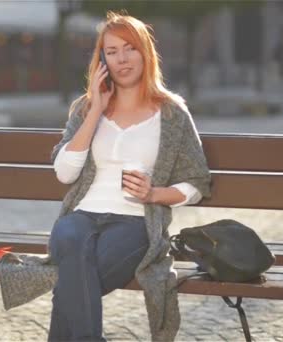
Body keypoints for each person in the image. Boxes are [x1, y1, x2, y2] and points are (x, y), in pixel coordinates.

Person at [46, 11, 212, 341]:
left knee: (71, 283)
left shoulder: (172, 113)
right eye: (111, 51)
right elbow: (65, 174)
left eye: (129, 48)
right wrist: (95, 111)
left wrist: (154, 195)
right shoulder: (85, 108)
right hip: (82, 217)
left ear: (145, 52)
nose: (122, 59)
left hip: (135, 223)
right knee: (67, 237)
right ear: (102, 59)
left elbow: (197, 181)